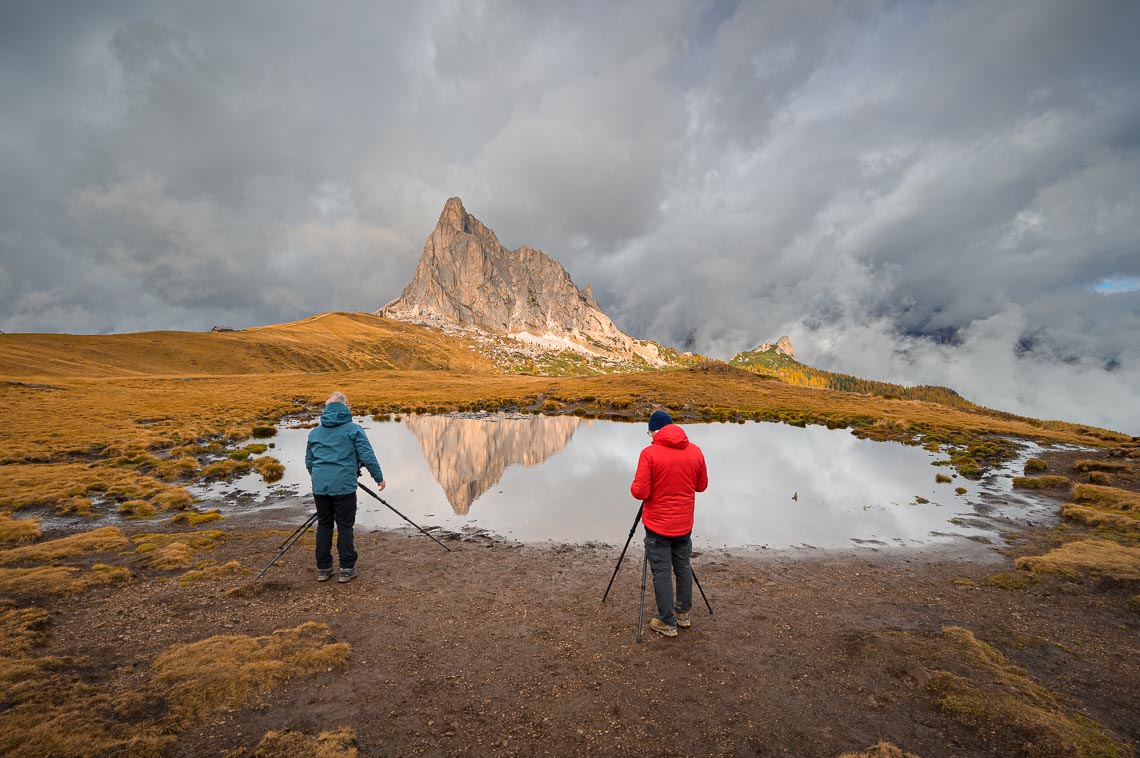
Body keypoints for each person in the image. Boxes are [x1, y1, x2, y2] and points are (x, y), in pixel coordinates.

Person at [630, 410, 708, 637]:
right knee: (683, 566)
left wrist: (635, 486)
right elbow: (701, 486)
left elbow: (640, 492)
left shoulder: (649, 453)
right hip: (684, 523)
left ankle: (667, 621)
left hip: (658, 526)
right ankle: (682, 614)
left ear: (654, 431)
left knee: (662, 571)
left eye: (649, 432)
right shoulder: (695, 451)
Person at [305, 391, 385, 583]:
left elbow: (309, 462)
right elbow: (367, 456)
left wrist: (319, 478)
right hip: (343, 487)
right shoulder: (354, 429)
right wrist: (378, 478)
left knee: (324, 525)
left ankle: (323, 569)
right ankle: (346, 568)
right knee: (344, 526)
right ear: (345, 407)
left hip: (320, 487)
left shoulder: (315, 432)